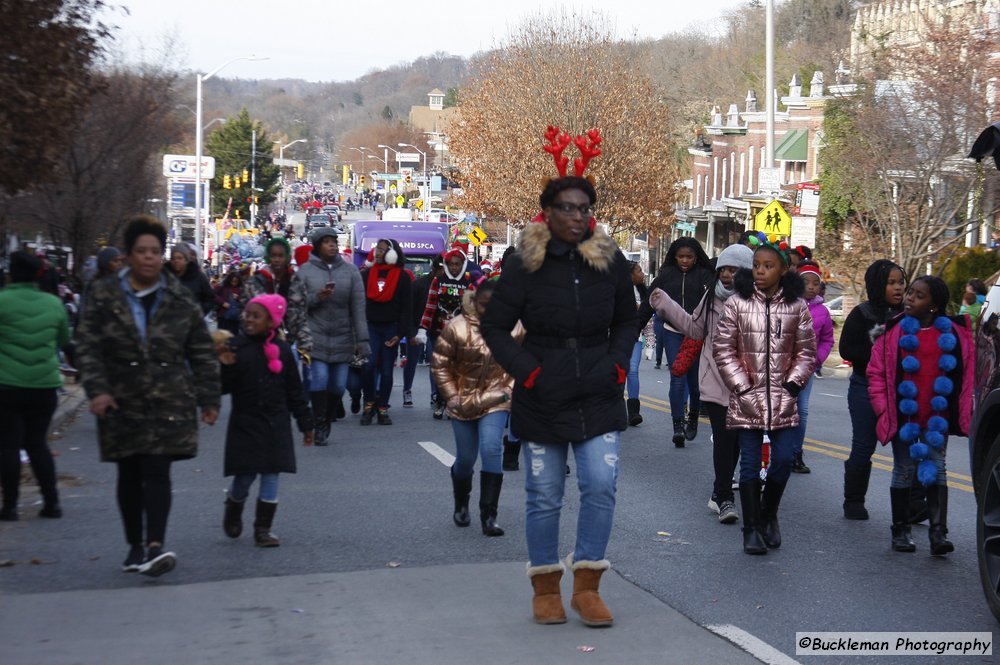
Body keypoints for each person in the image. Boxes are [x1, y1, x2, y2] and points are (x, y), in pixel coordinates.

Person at [481, 163, 636, 627]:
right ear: (547, 213)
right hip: (541, 393)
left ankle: (587, 587)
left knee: (600, 487)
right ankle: (546, 587)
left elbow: (628, 319)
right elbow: (495, 326)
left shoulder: (610, 260)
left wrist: (618, 363)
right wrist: (527, 372)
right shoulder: (523, 264)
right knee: (544, 493)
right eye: (567, 208)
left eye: (584, 209)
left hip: (598, 390)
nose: (577, 217)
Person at [75, 215, 220, 577]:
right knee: (129, 473)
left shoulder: (178, 298)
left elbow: (201, 349)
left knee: (157, 469)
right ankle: (134, 545)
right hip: (121, 399)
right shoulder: (105, 295)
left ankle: (155, 544)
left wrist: (209, 398)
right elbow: (88, 345)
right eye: (142, 251)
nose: (150, 258)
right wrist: (98, 390)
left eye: (156, 251)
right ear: (128, 255)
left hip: (168, 398)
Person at [713, 240, 815, 555]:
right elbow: (723, 348)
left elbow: (806, 351)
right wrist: (741, 386)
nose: (760, 271)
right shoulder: (737, 303)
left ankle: (769, 514)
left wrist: (793, 385)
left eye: (768, 266)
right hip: (747, 399)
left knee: (783, 460)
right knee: (748, 467)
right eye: (757, 265)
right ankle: (751, 528)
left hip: (784, 400)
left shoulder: (797, 306)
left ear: (784, 270)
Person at [867, 276, 973, 555]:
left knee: (937, 467)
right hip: (905, 417)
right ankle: (900, 531)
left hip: (936, 417)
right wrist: (882, 407)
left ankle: (938, 533)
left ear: (934, 305)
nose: (910, 298)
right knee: (904, 470)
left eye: (919, 295)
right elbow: (876, 373)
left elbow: (968, 373)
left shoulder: (954, 335)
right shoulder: (894, 333)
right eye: (910, 292)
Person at [651, 243, 754, 525]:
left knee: (736, 443)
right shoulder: (711, 298)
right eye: (723, 269)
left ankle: (719, 491)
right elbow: (695, 329)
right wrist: (666, 305)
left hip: (745, 384)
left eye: (734, 270)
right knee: (723, 439)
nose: (727, 275)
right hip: (716, 381)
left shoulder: (758, 302)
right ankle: (724, 498)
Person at [217, 294, 314, 547]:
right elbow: (223, 387)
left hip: (276, 423)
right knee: (245, 476)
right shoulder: (236, 347)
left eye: (256, 316)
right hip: (246, 422)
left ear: (272, 321)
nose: (249, 319)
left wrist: (306, 423)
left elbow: (295, 390)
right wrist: (226, 366)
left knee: (272, 474)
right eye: (247, 314)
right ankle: (234, 505)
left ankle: (263, 529)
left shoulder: (282, 351)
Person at [432, 278, 523, 536]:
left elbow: (522, 360)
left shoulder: (515, 328)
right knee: (465, 460)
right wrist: (450, 395)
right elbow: (440, 364)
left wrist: (509, 389)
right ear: (474, 302)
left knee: (491, 448)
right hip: (462, 402)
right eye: (484, 305)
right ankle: (461, 503)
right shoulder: (457, 327)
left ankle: (489, 516)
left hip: (496, 400)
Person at [0, 252, 71, 521]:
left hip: (7, 383)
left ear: (11, 273)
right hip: (44, 384)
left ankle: (10, 506)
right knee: (37, 443)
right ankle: (52, 503)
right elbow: (64, 339)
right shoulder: (53, 304)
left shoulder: (2, 302)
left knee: (8, 445)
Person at [839, 259, 907, 520]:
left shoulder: (909, 315)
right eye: (891, 283)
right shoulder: (862, 313)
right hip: (865, 387)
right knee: (863, 445)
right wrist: (880, 357)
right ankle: (854, 500)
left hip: (902, 392)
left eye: (901, 282)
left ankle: (912, 503)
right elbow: (847, 349)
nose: (898, 288)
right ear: (878, 285)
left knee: (906, 448)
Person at [638, 238, 714, 446]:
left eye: (689, 257)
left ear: (697, 257)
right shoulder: (665, 276)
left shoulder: (706, 276)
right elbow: (649, 302)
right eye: (681, 256)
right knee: (677, 377)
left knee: (695, 383)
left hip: (697, 334)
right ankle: (677, 425)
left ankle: (693, 417)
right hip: (672, 332)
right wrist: (634, 329)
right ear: (674, 256)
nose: (685, 260)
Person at [297, 229, 368, 443]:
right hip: (315, 336)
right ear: (317, 246)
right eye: (327, 242)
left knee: (337, 386)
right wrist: (317, 297)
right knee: (319, 379)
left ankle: (326, 418)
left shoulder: (350, 271)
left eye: (334, 242)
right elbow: (297, 303)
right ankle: (319, 424)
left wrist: (362, 340)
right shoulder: (305, 271)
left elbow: (358, 307)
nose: (332, 246)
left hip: (343, 336)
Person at [414, 248, 477, 419]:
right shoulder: (438, 281)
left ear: (463, 265)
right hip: (438, 333)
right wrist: (423, 329)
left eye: (457, 264)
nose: (454, 267)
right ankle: (441, 402)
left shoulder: (468, 283)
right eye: (451, 264)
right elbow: (430, 306)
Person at [359, 238, 413, 425]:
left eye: (382, 250)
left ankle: (383, 407)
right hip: (371, 327)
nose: (378, 252)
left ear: (392, 253)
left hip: (391, 328)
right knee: (368, 366)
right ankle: (369, 404)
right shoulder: (366, 275)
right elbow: (359, 304)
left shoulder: (403, 277)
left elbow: (407, 308)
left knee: (387, 371)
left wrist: (400, 333)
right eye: (377, 249)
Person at [790, 260, 835, 474]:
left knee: (802, 409)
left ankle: (796, 454)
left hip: (807, 367)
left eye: (815, 283)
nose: (810, 287)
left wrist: (818, 359)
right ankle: (776, 450)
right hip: (785, 367)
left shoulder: (823, 312)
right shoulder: (787, 304)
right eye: (805, 282)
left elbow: (828, 339)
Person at [241, 237, 313, 359]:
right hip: (259, 344)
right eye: (273, 256)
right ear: (268, 257)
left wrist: (305, 342)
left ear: (287, 257)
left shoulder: (295, 281)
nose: (277, 260)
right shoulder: (256, 281)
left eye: (281, 256)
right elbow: (244, 312)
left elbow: (301, 314)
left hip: (289, 343)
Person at [404, 255, 443, 408]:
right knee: (412, 361)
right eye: (439, 269)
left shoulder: (443, 285)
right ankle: (407, 390)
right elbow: (409, 309)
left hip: (434, 329)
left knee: (434, 362)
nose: (442, 273)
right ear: (433, 269)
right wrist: (411, 332)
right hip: (416, 326)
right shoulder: (419, 285)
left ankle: (434, 393)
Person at [626, 261, 648, 426]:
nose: (643, 274)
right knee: (618, 371)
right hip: (615, 337)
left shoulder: (643, 291)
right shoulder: (618, 290)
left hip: (635, 336)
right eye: (639, 270)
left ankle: (633, 411)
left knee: (632, 370)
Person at [167, 243, 216, 316]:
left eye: (180, 258)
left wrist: (198, 312)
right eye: (173, 258)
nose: (176, 261)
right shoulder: (164, 276)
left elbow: (210, 298)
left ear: (186, 260)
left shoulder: (198, 277)